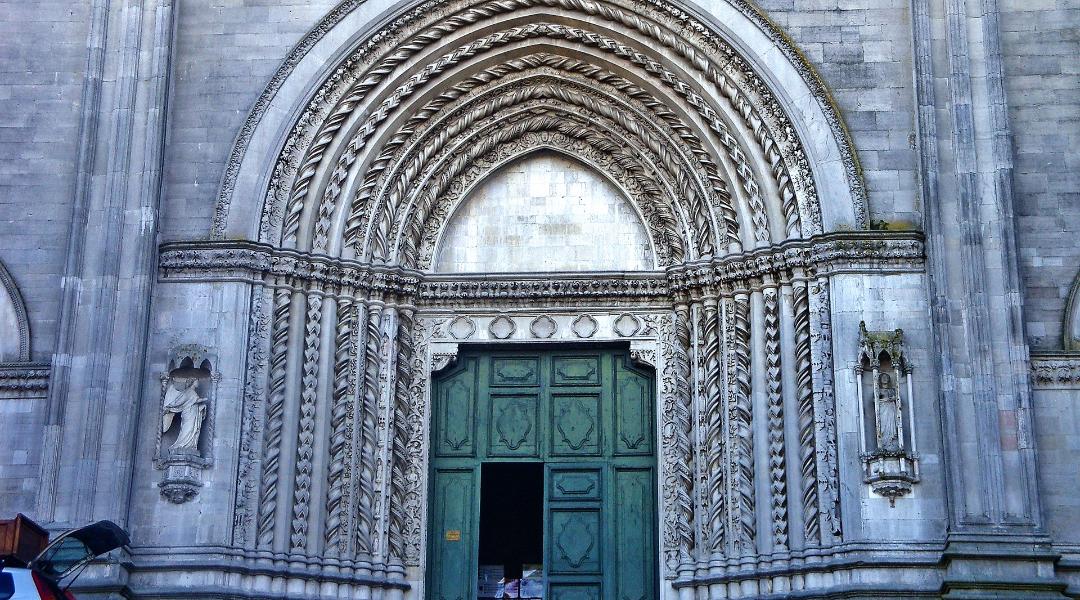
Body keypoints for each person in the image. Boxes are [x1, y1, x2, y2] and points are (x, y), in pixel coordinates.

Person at [162, 376, 207, 451]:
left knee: (193, 429)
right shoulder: (189, 391)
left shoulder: (192, 392)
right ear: (193, 382)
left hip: (193, 413)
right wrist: (205, 399)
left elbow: (194, 402)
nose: (198, 383)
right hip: (188, 413)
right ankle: (181, 444)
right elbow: (180, 401)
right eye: (197, 382)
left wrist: (201, 405)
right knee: (187, 428)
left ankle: (190, 445)